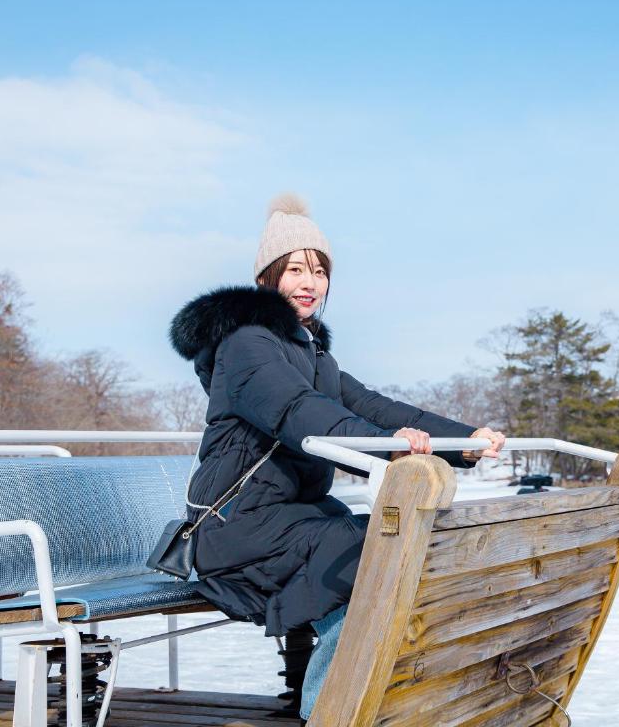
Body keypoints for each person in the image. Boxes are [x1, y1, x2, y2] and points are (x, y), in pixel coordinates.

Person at [169, 194, 505, 721]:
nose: (310, 282)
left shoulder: (312, 351)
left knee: (393, 538)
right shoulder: (246, 345)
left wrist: (461, 439)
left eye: (320, 271)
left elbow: (370, 404)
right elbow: (299, 412)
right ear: (266, 278)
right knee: (366, 548)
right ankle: (329, 711)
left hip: (291, 517)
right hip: (235, 527)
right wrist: (390, 447)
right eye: (295, 269)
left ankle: (385, 700)